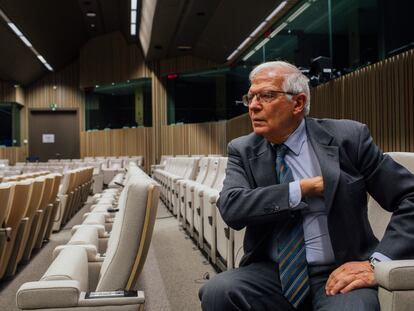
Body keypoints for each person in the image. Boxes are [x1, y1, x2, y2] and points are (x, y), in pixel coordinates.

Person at [199, 61, 414, 310]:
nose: (254, 106)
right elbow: (232, 207)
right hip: (273, 273)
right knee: (218, 292)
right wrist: (300, 190)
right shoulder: (243, 150)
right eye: (251, 97)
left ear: (298, 103)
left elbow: (409, 196)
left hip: (341, 269)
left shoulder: (348, 138)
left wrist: (376, 264)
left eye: (266, 96)